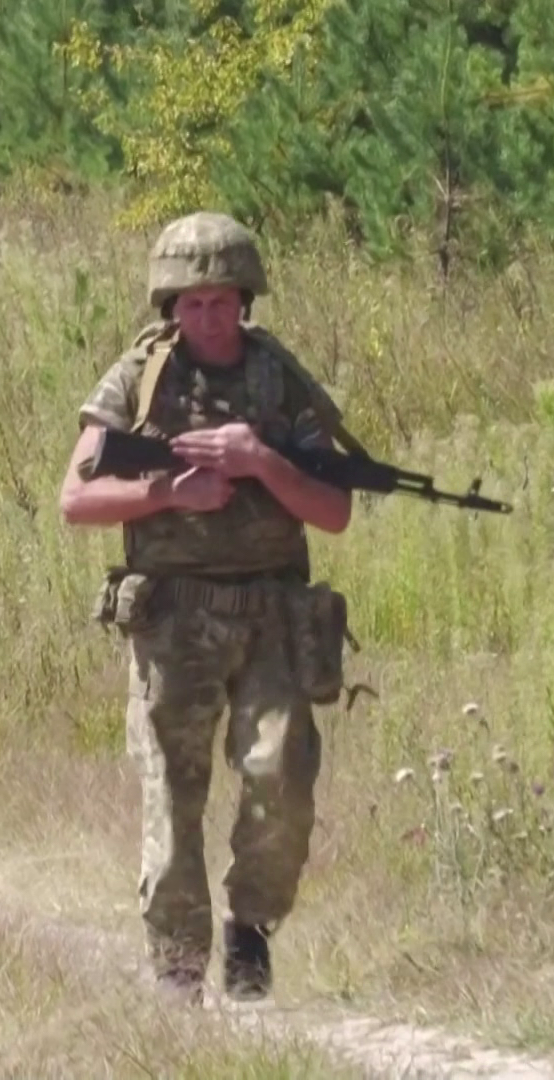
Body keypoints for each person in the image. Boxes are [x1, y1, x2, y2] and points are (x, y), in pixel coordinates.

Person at [57, 211, 355, 1004]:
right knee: (171, 796)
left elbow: (334, 510)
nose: (207, 316)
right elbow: (75, 498)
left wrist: (260, 460)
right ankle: (178, 972)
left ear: (244, 299)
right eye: (191, 303)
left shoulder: (279, 380)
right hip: (174, 622)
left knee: (282, 777)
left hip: (272, 613)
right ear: (169, 306)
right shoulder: (138, 379)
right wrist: (169, 490)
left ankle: (249, 930)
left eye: (221, 300)